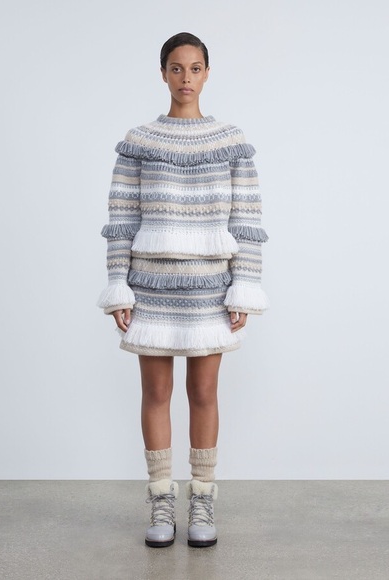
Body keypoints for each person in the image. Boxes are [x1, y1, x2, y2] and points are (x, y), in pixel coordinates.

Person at [97, 32, 269, 548]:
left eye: (195, 68)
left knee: (204, 393)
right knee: (155, 393)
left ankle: (202, 499)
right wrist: (118, 285)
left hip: (210, 288)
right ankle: (160, 499)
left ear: (207, 73)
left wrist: (245, 286)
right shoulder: (141, 141)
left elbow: (247, 220)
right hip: (150, 285)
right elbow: (121, 218)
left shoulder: (230, 141)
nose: (186, 78)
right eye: (176, 68)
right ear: (163, 73)